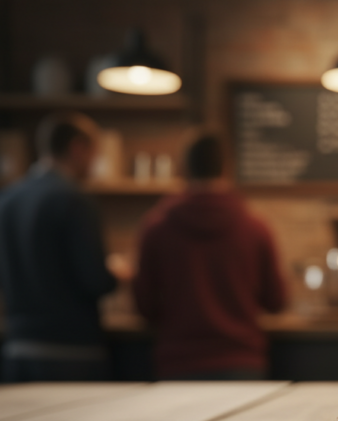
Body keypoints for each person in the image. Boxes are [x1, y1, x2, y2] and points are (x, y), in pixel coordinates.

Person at [133, 135, 287, 380]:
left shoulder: (156, 228)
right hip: (242, 363)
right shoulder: (256, 228)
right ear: (226, 168)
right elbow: (276, 300)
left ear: (184, 169)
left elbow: (144, 306)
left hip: (178, 365)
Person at [0, 113, 118, 382]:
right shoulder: (74, 200)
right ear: (78, 147)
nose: (94, 163)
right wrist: (115, 275)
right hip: (71, 351)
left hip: (17, 348)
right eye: (94, 153)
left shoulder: (6, 201)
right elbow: (95, 280)